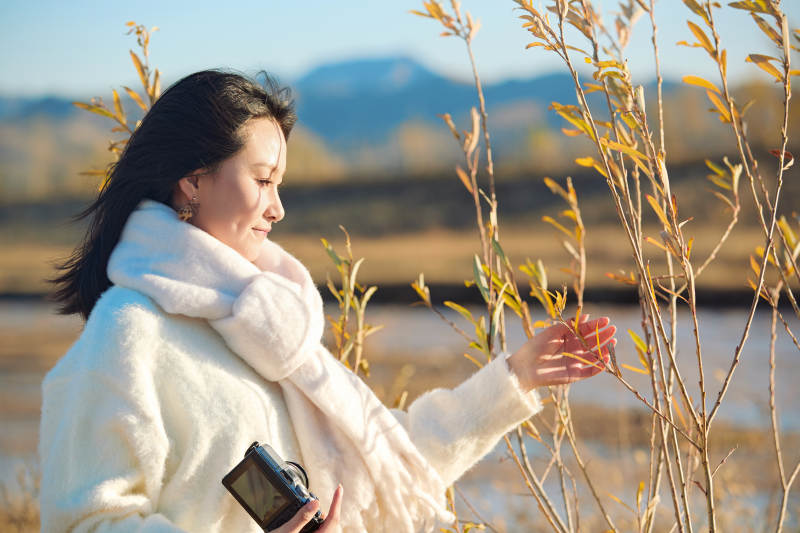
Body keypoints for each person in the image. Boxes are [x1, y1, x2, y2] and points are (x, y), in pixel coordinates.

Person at [40, 70, 616, 533]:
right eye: (263, 180)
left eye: (280, 184)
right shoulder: (130, 332)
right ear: (193, 182)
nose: (278, 208)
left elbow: (386, 463)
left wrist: (514, 378)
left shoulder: (266, 325)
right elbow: (85, 520)